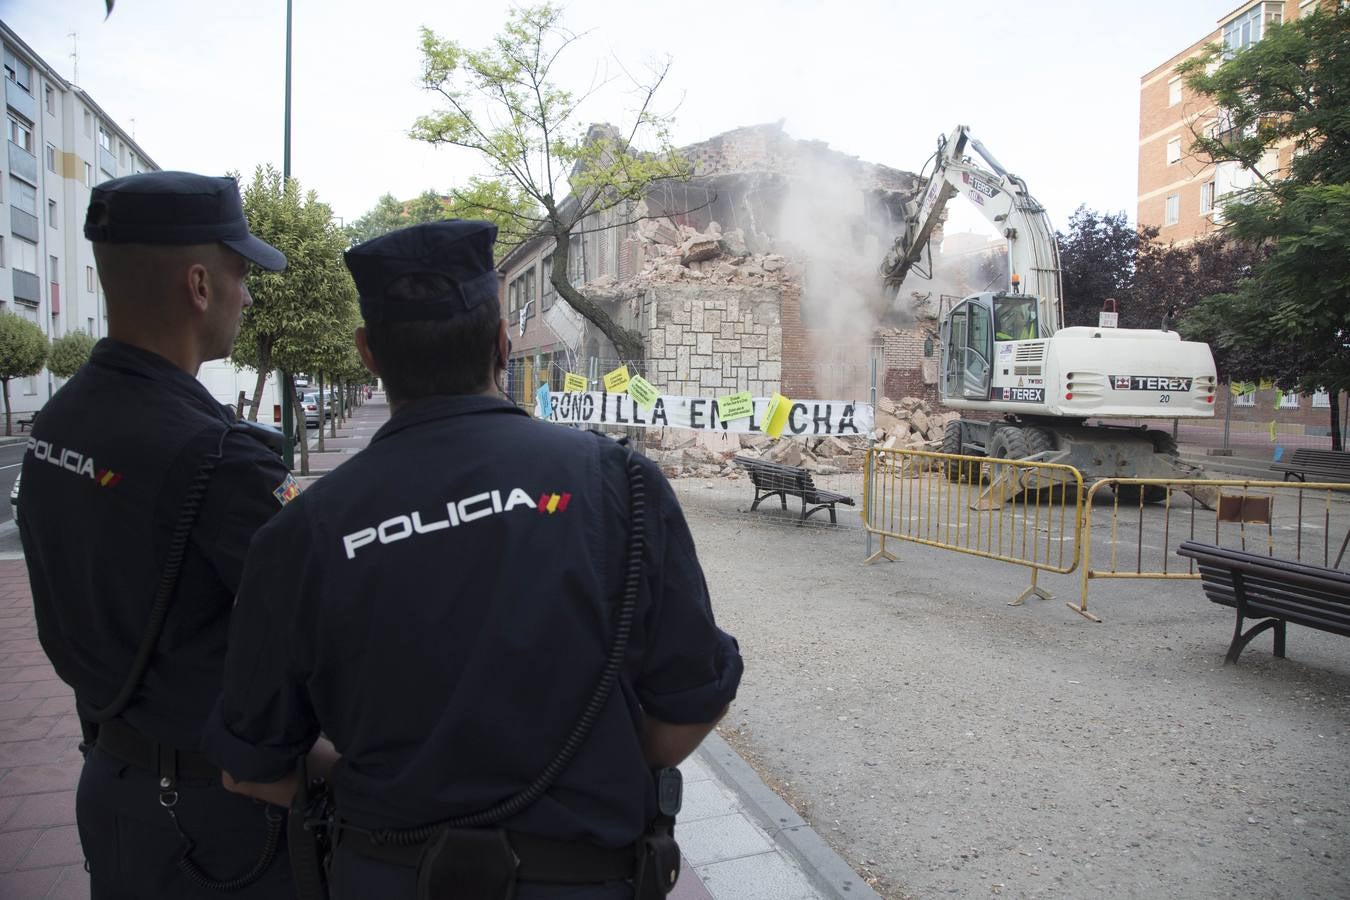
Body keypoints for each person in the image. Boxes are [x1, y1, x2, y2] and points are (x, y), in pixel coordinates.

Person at [203, 220, 744, 899]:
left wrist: (378, 789)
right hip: (583, 878)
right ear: (502, 341)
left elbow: (249, 767)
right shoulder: (622, 485)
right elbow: (695, 699)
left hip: (390, 876)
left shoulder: (300, 534)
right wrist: (585, 776)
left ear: (368, 353)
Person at [18, 171, 301, 899]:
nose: (248, 296)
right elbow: (333, 621)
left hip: (113, 785)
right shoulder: (218, 457)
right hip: (218, 821)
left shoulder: (58, 421)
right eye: (242, 275)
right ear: (200, 285)